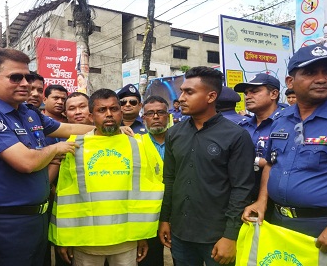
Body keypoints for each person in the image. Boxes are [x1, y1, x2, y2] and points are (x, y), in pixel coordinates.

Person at [0, 48, 98, 265]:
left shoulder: (28, 113)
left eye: (27, 76)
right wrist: (55, 149)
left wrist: (108, 128)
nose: (24, 83)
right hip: (7, 223)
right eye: (16, 77)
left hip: (38, 218)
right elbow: (26, 162)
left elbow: (67, 127)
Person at [242, 44, 327, 265]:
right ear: (290, 82)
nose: (322, 79)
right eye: (310, 72)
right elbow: (272, 163)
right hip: (278, 224)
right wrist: (262, 201)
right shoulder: (281, 119)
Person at [50, 88, 164, 266]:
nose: (109, 114)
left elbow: (150, 194)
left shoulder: (140, 144)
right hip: (85, 243)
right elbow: (64, 197)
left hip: (126, 242)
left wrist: (142, 237)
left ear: (121, 112)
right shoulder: (74, 146)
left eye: (114, 109)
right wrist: (64, 239)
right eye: (102, 110)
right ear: (91, 116)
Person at [158, 66, 255, 266]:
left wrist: (230, 235)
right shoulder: (174, 133)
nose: (181, 97)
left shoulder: (236, 136)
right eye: (182, 91)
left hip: (217, 236)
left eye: (189, 92)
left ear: (211, 96)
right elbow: (169, 178)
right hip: (181, 233)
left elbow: (242, 188)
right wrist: (165, 219)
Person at [234, 73, 283, 204]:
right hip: (245, 197)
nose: (248, 96)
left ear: (273, 94)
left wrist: (260, 162)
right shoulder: (242, 126)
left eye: (254, 92)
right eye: (246, 93)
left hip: (276, 201)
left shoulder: (287, 124)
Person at [139, 95, 171, 266]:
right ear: (144, 118)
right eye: (150, 113)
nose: (156, 117)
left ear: (168, 116)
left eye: (160, 112)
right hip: (148, 213)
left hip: (176, 211)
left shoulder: (180, 140)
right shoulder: (136, 142)